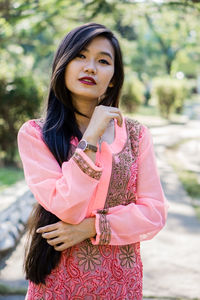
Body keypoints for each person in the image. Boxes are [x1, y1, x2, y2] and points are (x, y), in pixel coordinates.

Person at [17, 22, 168, 299]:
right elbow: (66, 207)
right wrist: (92, 137)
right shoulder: (36, 135)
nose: (90, 67)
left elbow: (154, 213)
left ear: (113, 77)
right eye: (80, 56)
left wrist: (93, 227)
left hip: (120, 283)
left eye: (103, 61)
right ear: (63, 65)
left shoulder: (136, 136)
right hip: (57, 282)